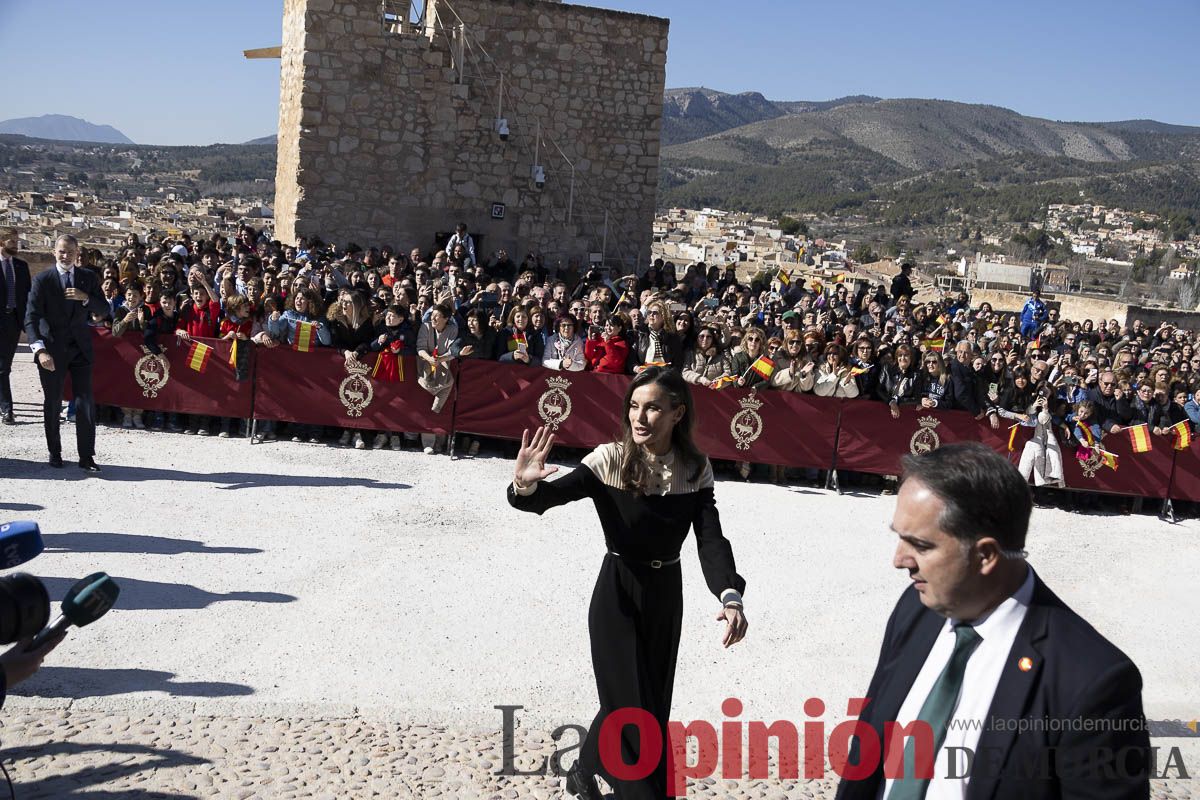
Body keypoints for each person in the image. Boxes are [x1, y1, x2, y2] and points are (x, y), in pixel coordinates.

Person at [835, 443, 1149, 800]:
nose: (899, 560)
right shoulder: (916, 608)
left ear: (985, 555)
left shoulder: (1095, 682)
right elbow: (869, 748)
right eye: (899, 538)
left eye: (920, 545)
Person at [507, 367, 747, 800]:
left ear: (677, 413)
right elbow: (549, 497)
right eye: (634, 406)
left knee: (647, 703)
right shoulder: (608, 459)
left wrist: (730, 595)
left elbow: (711, 538)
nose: (640, 417)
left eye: (653, 407)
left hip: (664, 596)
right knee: (631, 708)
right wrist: (523, 486)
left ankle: (584, 772)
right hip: (615, 592)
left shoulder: (695, 469)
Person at [25, 234, 111, 471]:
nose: (66, 256)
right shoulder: (43, 280)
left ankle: (86, 456)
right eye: (62, 251)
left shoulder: (87, 278)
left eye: (70, 252)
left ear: (77, 253)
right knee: (52, 402)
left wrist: (86, 299)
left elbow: (104, 309)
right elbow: (31, 317)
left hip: (80, 349)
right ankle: (55, 452)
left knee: (85, 403)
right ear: (55, 252)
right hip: (52, 351)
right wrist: (40, 350)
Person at [0, 227, 31, 425]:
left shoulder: (21, 266)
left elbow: (27, 296)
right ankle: (7, 408)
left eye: (16, 240)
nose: (15, 244)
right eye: (11, 240)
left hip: (13, 322)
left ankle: (6, 408)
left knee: (4, 367)